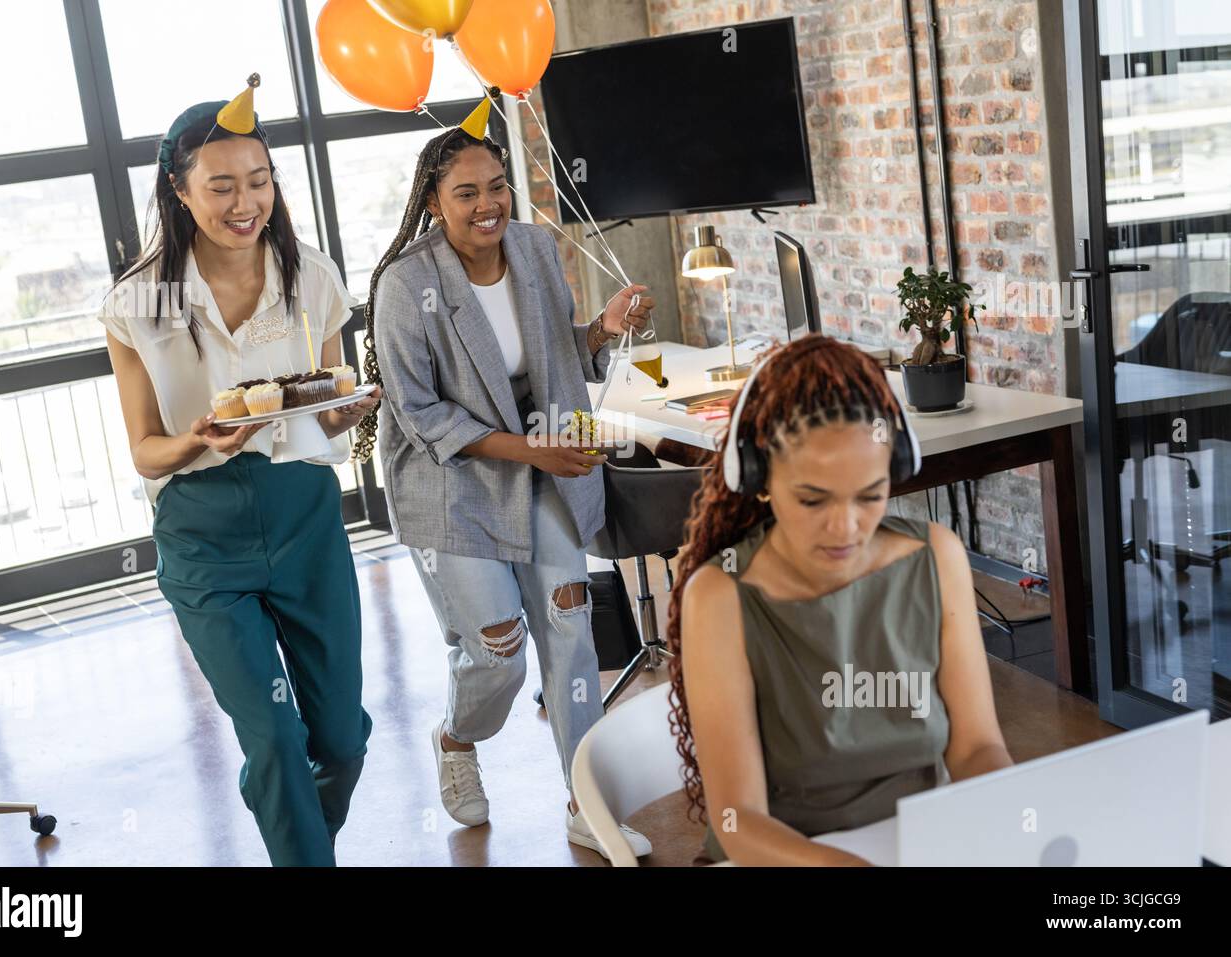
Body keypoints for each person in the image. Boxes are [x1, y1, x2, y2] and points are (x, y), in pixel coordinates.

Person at [358, 115, 654, 860]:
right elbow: (420, 413)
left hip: (543, 465)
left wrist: (601, 330)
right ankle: (459, 736)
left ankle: (586, 799)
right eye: (466, 193)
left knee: (570, 628)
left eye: (497, 186)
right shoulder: (407, 284)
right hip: (453, 483)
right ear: (433, 200)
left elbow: (556, 350)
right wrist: (534, 451)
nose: (487, 203)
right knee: (497, 651)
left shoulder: (532, 248)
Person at [97, 80, 377, 866]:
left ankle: (303, 836)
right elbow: (145, 449)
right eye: (220, 186)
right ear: (180, 194)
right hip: (202, 536)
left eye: (257, 181)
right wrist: (196, 442)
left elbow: (329, 402)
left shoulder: (311, 277)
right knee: (275, 738)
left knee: (341, 740)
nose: (243, 201)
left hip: (307, 521)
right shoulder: (137, 302)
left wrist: (349, 412)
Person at [668, 335, 1013, 865]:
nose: (845, 527)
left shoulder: (936, 557)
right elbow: (738, 820)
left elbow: (976, 749)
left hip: (917, 849)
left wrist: (1009, 823)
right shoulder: (720, 596)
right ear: (760, 479)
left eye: (871, 495)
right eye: (812, 499)